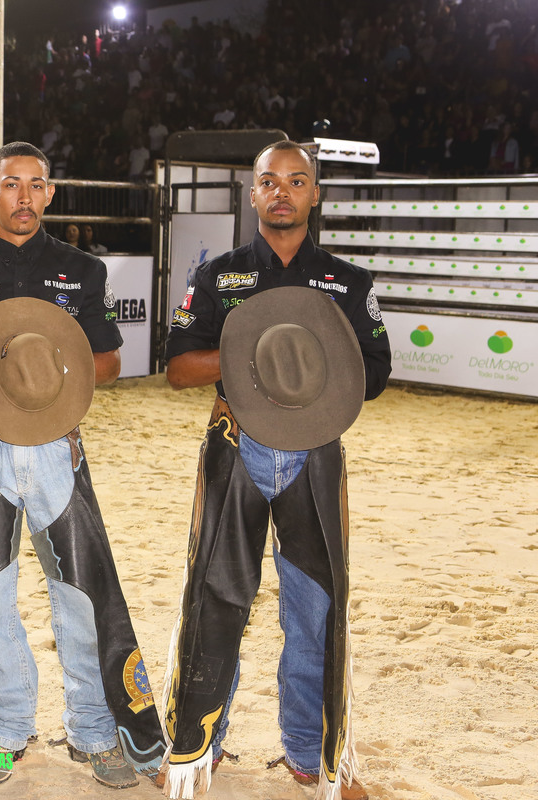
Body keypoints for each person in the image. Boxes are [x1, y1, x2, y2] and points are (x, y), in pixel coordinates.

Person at [0, 141, 165, 789]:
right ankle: (7, 731)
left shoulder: (82, 271)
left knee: (81, 599)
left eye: (35, 185)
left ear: (50, 193)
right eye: (11, 184)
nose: (23, 197)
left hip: (60, 446)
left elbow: (109, 361)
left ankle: (93, 731)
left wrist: (52, 366)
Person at [160, 141, 389, 800]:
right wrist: (261, 353)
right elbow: (179, 367)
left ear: (315, 193)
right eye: (268, 181)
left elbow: (376, 373)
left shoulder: (348, 283)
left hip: (315, 453)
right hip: (236, 447)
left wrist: (313, 361)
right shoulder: (218, 277)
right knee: (215, 602)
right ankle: (196, 747)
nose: (281, 191)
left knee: (315, 610)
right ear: (253, 194)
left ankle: (310, 752)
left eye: (296, 180)